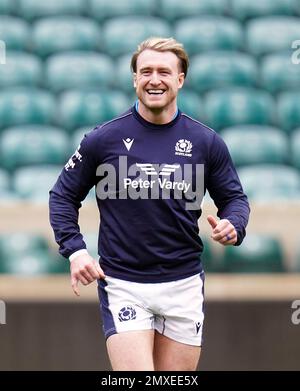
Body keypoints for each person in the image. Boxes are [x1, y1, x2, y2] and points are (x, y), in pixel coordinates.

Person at [49, 37, 250, 371]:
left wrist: (235, 224)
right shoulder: (103, 139)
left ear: (180, 79)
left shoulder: (206, 141)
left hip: (183, 283)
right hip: (124, 283)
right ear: (134, 79)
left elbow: (234, 199)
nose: (154, 79)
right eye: (145, 71)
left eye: (164, 72)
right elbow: (62, 196)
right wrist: (75, 250)